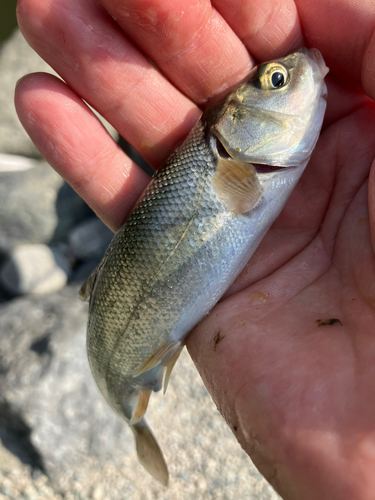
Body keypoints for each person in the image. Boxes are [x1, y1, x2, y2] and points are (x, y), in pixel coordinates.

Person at [14, 0, 375, 498]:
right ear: (232, 130)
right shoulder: (233, 167)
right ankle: (136, 422)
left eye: (275, 81)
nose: (297, 74)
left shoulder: (242, 166)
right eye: (277, 82)